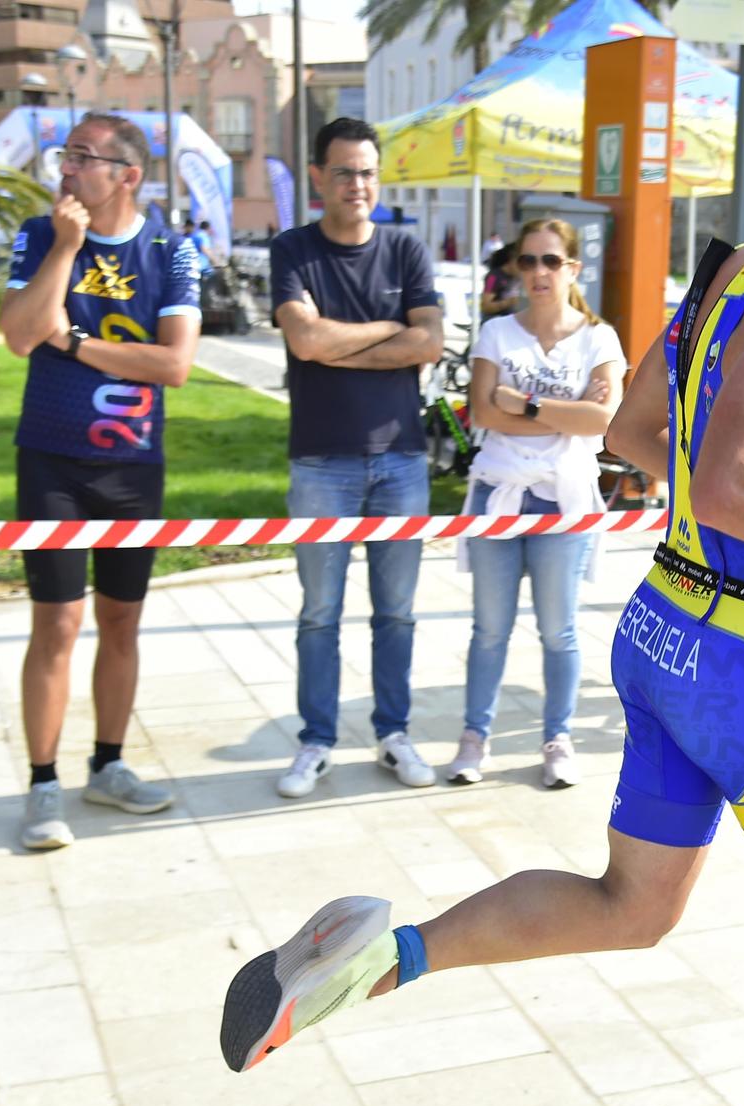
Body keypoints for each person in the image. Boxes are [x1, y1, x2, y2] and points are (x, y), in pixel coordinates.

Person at [220, 90, 744, 1106]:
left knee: (633, 904)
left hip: (665, 621)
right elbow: (731, 475)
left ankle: (380, 956)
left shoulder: (740, 274)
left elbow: (632, 433)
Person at [0, 113, 201, 850]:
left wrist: (76, 343)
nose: (68, 167)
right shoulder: (39, 232)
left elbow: (174, 365)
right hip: (50, 459)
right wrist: (67, 248)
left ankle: (108, 767)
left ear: (127, 174)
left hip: (132, 464)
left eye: (86, 157)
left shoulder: (171, 252)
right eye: (67, 153)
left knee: (122, 621)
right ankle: (43, 783)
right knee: (56, 621)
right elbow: (21, 333)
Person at [268, 118, 446, 798]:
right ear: (318, 177)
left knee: (395, 610)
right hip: (320, 462)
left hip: (400, 460)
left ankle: (392, 732)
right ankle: (316, 740)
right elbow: (305, 341)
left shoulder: (405, 248)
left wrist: (343, 339)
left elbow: (429, 344)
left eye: (368, 172)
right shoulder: (294, 250)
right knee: (320, 611)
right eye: (344, 172)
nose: (358, 185)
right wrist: (390, 329)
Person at [448, 218, 625, 790]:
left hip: (565, 500)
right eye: (527, 262)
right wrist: (564, 408)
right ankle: (474, 737)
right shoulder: (497, 332)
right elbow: (482, 413)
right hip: (498, 491)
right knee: (489, 630)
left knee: (559, 631)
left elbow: (604, 419)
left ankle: (558, 737)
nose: (538, 273)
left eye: (551, 261)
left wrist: (521, 402)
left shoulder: (599, 339)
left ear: (574, 268)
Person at [477, 243, 521, 321]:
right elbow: (485, 306)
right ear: (511, 260)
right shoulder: (492, 277)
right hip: (494, 321)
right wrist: (507, 303)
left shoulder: (517, 277)